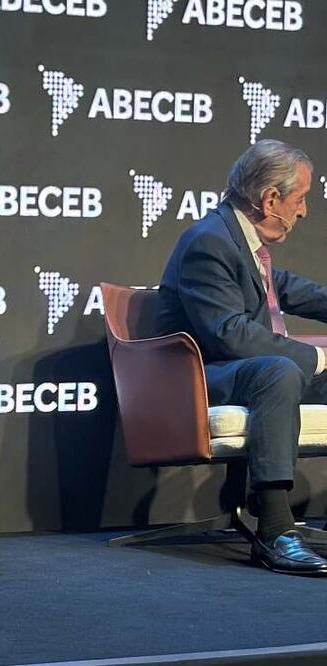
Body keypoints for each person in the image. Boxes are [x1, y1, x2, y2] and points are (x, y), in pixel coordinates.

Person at [157, 139, 327, 576]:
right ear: (271, 199)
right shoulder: (208, 241)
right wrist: (318, 356)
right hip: (193, 376)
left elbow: (290, 289)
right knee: (278, 370)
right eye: (300, 199)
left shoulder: (240, 240)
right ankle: (275, 529)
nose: (304, 211)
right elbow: (228, 335)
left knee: (280, 369)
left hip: (240, 371)